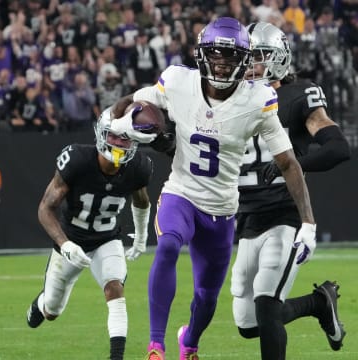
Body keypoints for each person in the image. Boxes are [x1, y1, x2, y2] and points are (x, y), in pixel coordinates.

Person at [109, 17, 317, 360]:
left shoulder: (258, 99)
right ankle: (155, 346)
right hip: (182, 193)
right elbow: (132, 101)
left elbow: (288, 163)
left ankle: (188, 342)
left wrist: (308, 222)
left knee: (207, 296)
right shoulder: (178, 81)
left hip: (221, 208)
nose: (221, 62)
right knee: (168, 247)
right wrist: (115, 122)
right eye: (215, 54)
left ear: (244, 60)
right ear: (202, 55)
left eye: (230, 56)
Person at [230, 22, 350, 360]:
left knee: (267, 306)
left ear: (278, 59)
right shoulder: (231, 99)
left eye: (258, 57)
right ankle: (319, 303)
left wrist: (295, 163)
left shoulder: (296, 96)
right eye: (246, 57)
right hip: (247, 220)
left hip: (285, 214)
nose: (249, 65)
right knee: (248, 323)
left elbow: (337, 147)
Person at [26, 105, 156, 360]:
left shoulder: (138, 167)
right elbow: (45, 208)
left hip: (106, 239)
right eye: (114, 136)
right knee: (53, 309)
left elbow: (141, 201)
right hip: (71, 241)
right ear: (101, 134)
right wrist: (65, 245)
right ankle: (41, 305)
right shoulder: (77, 160)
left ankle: (116, 357)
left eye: (125, 138)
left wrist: (141, 236)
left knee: (115, 287)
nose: (119, 143)